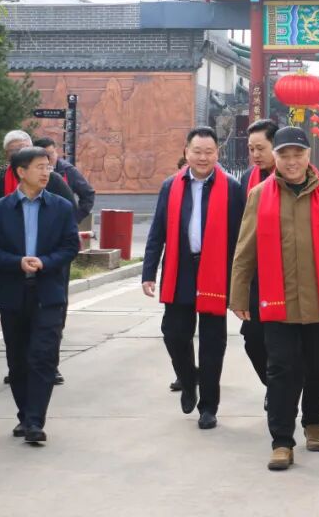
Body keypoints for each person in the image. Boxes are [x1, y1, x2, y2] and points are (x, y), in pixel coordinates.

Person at [229, 126, 319, 471]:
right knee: (281, 370)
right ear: (275, 157)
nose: (291, 162)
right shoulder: (259, 194)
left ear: (308, 156)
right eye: (284, 155)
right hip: (278, 301)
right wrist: (238, 294)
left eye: (297, 154)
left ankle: (313, 421)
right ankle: (281, 441)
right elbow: (245, 250)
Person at [142, 127, 246, 429]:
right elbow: (157, 231)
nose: (203, 157)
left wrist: (242, 279)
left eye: (209, 152)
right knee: (174, 334)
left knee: (213, 343)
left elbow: (242, 237)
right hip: (181, 268)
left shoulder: (231, 188)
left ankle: (209, 407)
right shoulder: (171, 186)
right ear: (186, 152)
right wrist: (149, 271)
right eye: (197, 151)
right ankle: (188, 381)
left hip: (216, 270)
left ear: (217, 153)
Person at [0, 147, 79, 445]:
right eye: (39, 167)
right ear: (21, 172)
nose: (46, 172)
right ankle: (25, 415)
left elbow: (70, 246)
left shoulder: (61, 207)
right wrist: (17, 262)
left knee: (43, 356)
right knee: (18, 359)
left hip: (48, 292)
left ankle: (36, 420)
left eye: (48, 167)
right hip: (13, 293)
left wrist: (45, 262)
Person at [0, 130, 75, 386]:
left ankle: (49, 366)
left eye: (25, 147)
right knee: (17, 341)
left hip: (50, 271)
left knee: (48, 329)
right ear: (17, 165)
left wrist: (49, 258)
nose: (45, 171)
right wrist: (15, 260)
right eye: (16, 150)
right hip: (13, 276)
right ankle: (18, 369)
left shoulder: (54, 184)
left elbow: (69, 227)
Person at [237, 119, 279, 393]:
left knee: (282, 340)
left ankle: (281, 390)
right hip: (256, 274)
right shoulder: (246, 180)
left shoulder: (294, 176)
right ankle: (273, 386)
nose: (255, 154)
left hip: (286, 271)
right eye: (251, 149)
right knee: (252, 339)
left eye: (260, 148)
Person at [33, 137, 95, 226]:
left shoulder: (68, 170)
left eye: (51, 153)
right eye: (44, 155)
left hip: (62, 223)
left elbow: (88, 194)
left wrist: (76, 218)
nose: (49, 158)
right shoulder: (31, 172)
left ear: (56, 151)